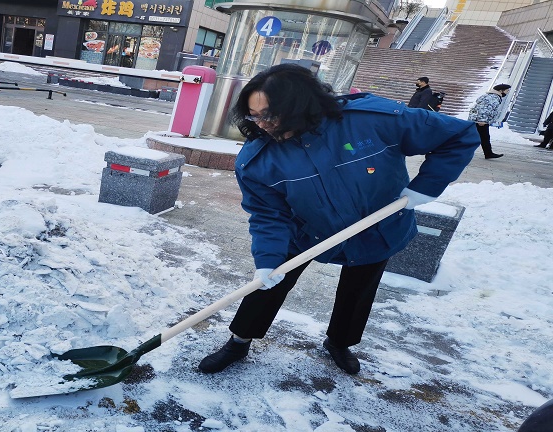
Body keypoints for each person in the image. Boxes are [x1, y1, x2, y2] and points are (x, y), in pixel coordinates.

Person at [197, 64, 480, 376]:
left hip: (377, 226)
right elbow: (268, 215)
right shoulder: (257, 161)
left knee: (359, 291)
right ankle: (239, 340)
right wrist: (267, 259)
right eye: (254, 115)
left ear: (300, 105)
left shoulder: (371, 120)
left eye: (269, 114)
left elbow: (459, 135)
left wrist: (424, 187)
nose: (262, 124)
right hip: (305, 232)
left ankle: (339, 342)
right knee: (269, 283)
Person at [468, 83, 511, 159]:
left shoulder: (492, 96)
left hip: (479, 120)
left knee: (481, 137)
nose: (507, 93)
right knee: (483, 137)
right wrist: (482, 121)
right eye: (507, 91)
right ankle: (488, 153)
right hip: (481, 121)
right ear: (501, 90)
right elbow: (484, 109)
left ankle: (488, 153)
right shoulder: (493, 98)